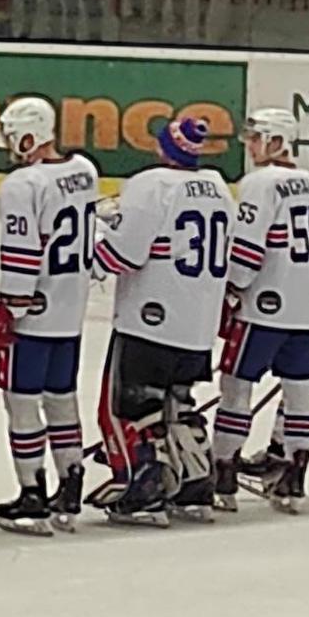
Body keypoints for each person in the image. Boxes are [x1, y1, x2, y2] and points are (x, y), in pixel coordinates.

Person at [87, 112, 232, 525]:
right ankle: (195, 488)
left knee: (131, 406)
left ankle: (143, 490)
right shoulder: (220, 188)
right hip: (198, 320)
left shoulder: (150, 185)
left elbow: (124, 254)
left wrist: (90, 248)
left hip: (149, 317)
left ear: (163, 148)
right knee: (179, 402)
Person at [208, 101, 309, 514]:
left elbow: (246, 250)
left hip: (263, 308)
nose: (253, 146)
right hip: (307, 307)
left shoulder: (260, 184)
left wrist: (230, 288)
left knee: (236, 386)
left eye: (258, 138)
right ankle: (295, 476)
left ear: (277, 140)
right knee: (300, 395)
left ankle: (223, 472)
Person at [0, 92, 96, 536]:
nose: (10, 145)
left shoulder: (21, 185)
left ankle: (32, 492)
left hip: (34, 313)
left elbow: (21, 251)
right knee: (62, 398)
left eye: (13, 136)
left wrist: (9, 307)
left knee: (22, 403)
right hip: (71, 308)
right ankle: (70, 484)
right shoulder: (83, 170)